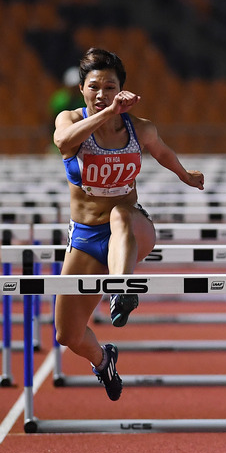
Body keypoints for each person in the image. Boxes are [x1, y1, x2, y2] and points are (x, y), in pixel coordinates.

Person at [52, 48, 205, 401]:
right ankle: (103, 360)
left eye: (110, 87)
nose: (101, 93)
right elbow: (62, 141)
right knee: (67, 334)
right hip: (87, 238)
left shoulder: (140, 128)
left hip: (133, 230)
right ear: (82, 90)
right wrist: (107, 113)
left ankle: (122, 289)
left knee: (120, 213)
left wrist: (185, 174)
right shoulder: (69, 120)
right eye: (94, 87)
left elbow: (162, 151)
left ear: (121, 89)